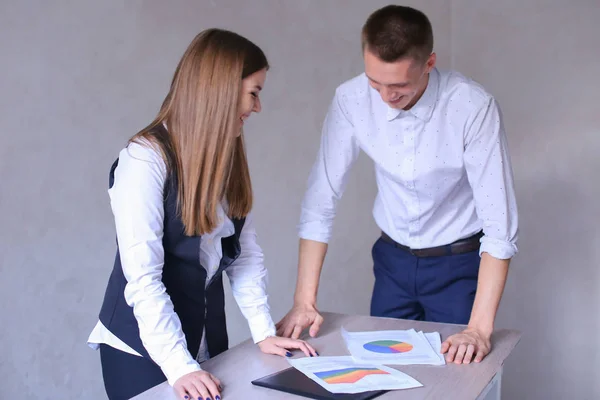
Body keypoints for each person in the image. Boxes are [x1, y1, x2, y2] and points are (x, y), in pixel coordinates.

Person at [276, 5, 518, 366]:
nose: (386, 96)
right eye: (376, 83)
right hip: (392, 263)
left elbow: (500, 227)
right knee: (386, 373)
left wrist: (479, 329)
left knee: (459, 381)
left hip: (458, 265)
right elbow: (320, 201)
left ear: (429, 63)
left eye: (399, 85)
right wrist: (303, 302)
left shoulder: (472, 107)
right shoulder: (351, 98)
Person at [87, 29, 317, 400]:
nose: (257, 107)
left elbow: (245, 254)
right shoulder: (144, 160)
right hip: (143, 349)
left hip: (206, 338)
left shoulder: (225, 156)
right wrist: (180, 367)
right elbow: (143, 279)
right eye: (254, 93)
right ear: (221, 88)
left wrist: (262, 332)